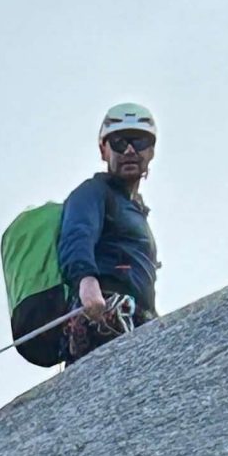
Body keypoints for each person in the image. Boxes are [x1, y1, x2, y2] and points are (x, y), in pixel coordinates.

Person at [59, 104, 159, 359]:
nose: (129, 150)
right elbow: (77, 234)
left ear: (151, 151)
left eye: (139, 141)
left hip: (135, 313)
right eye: (119, 142)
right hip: (103, 309)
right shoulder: (93, 192)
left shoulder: (135, 210)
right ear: (103, 150)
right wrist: (86, 282)